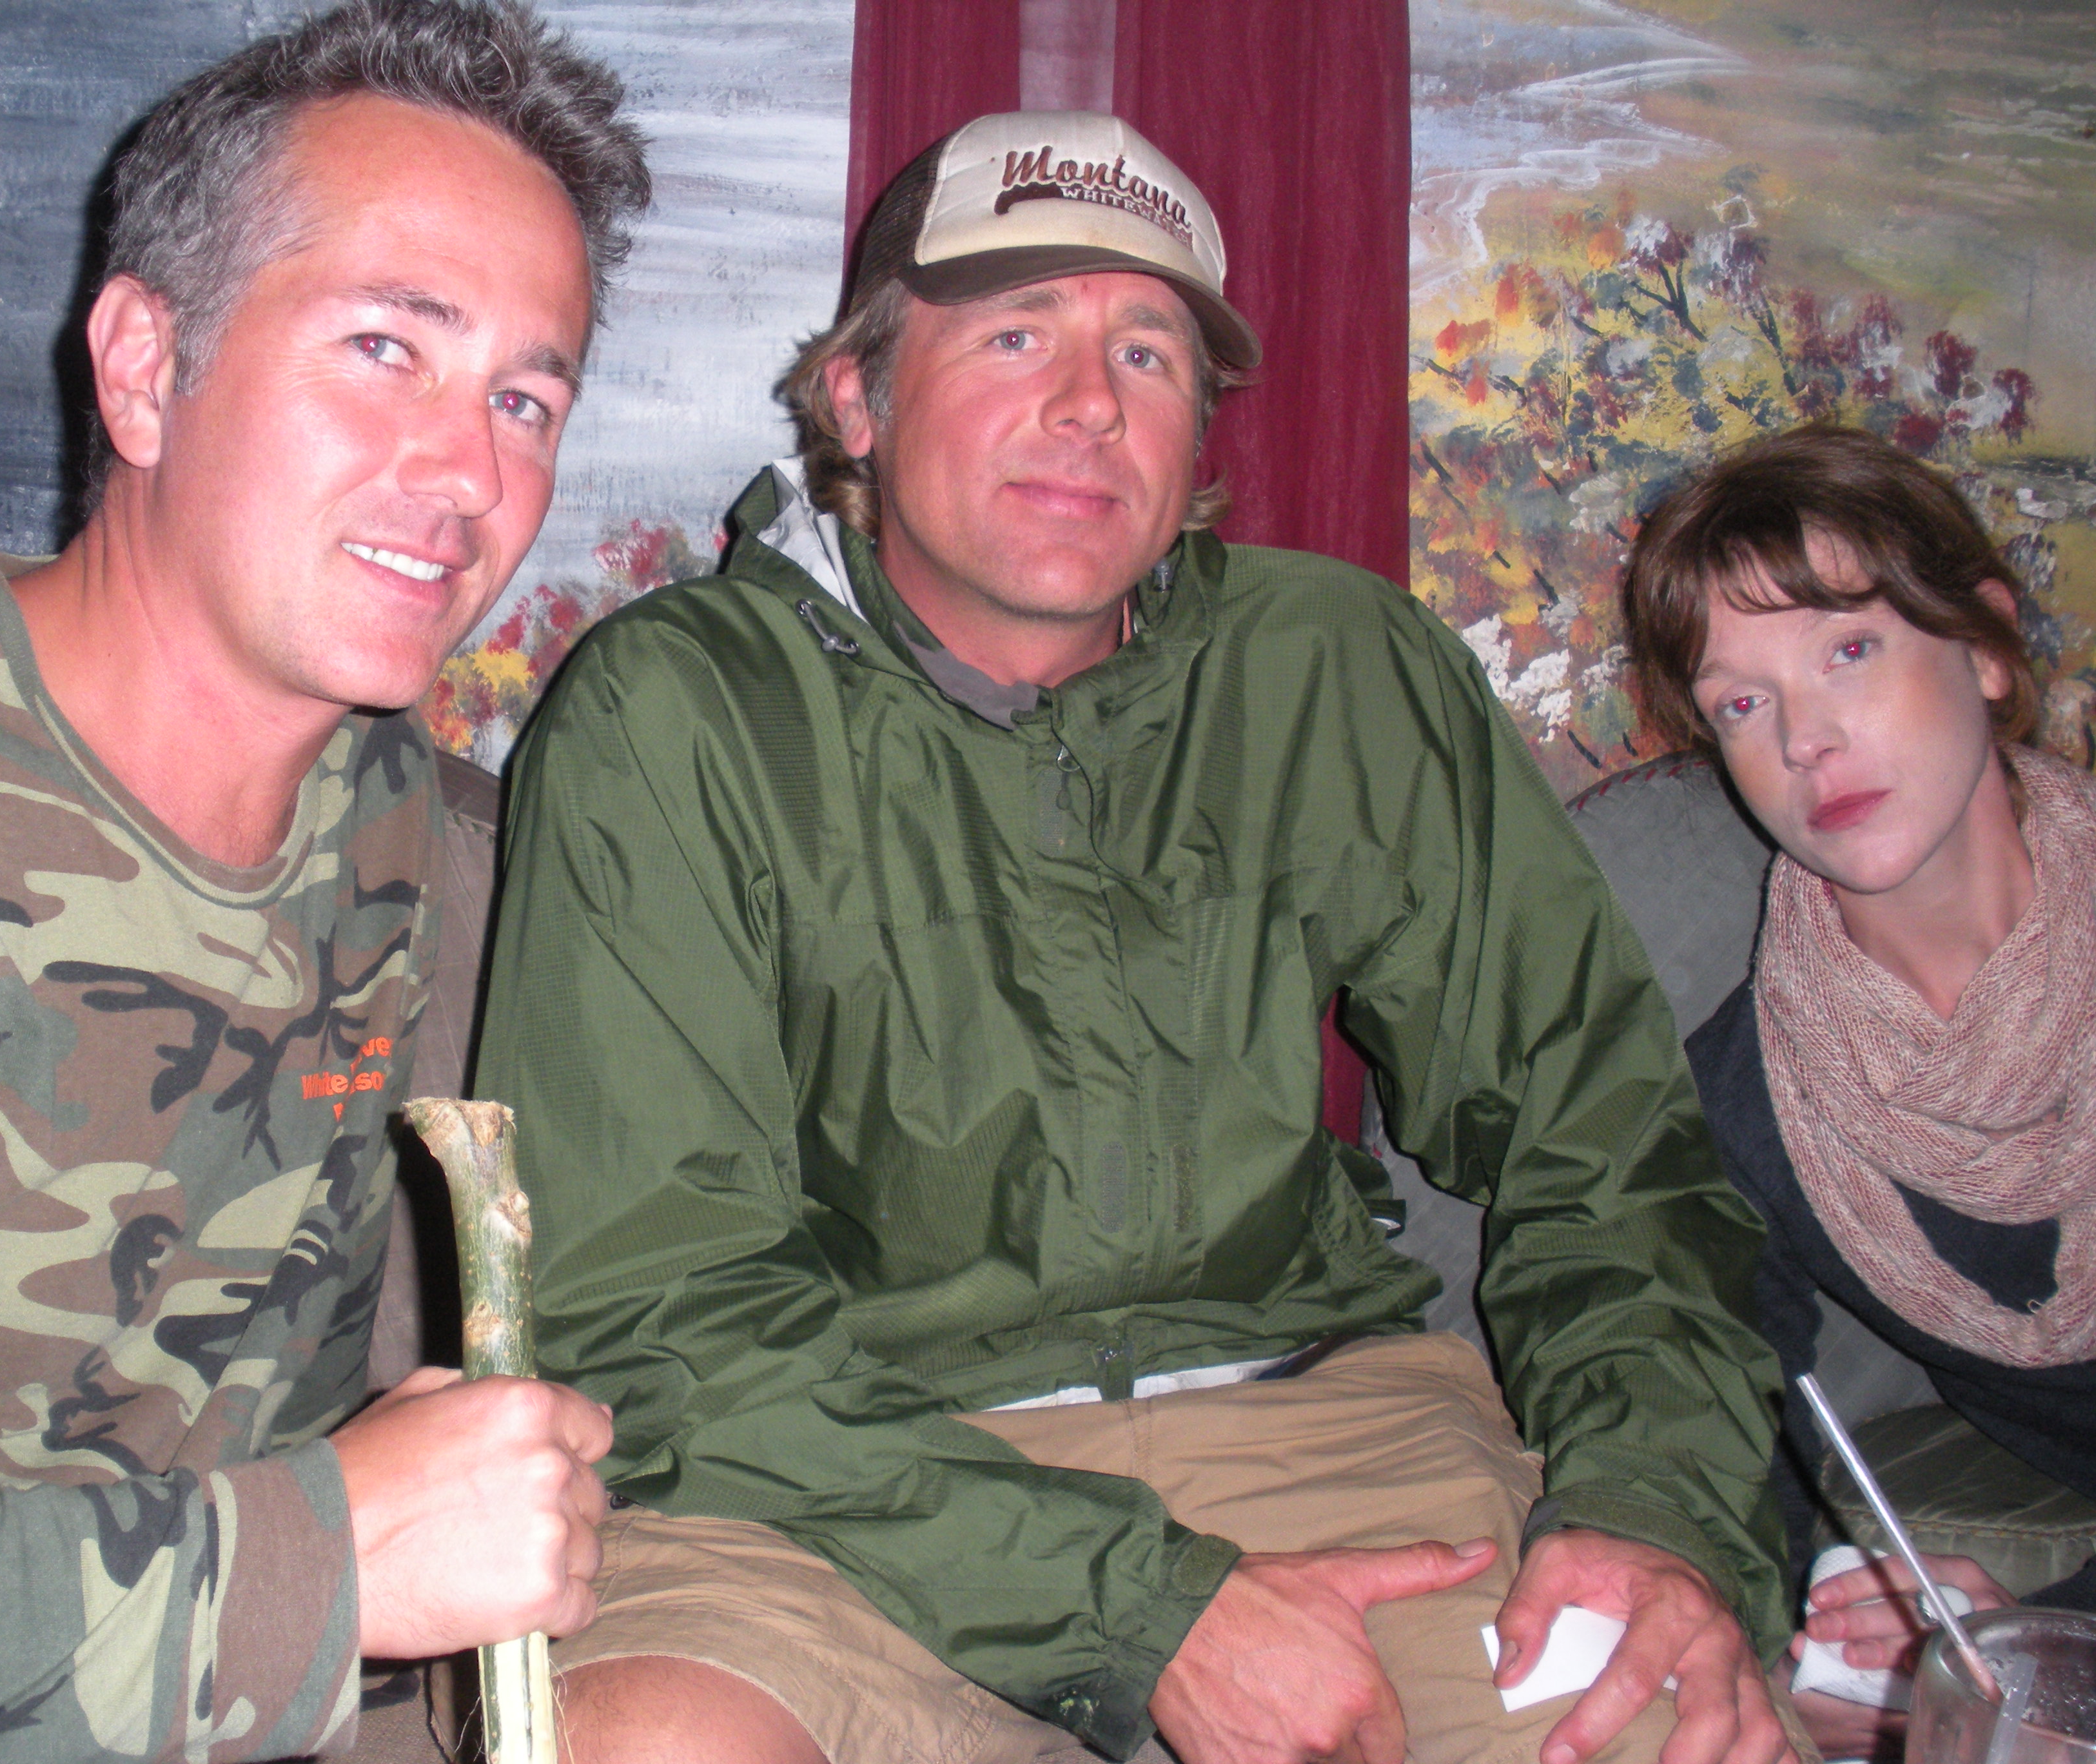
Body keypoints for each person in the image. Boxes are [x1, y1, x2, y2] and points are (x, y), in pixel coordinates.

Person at [477, 111, 1799, 1764]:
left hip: (1323, 1430)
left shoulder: (1335, 669)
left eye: (1150, 353)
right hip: (841, 1486)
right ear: (859, 398)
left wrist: (1652, 1505)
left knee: (1671, 1729)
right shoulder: (677, 713)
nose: (1092, 403)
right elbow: (652, 1308)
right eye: (1015, 333)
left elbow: (1603, 1140)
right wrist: (1143, 1608)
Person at [0, 3, 648, 1757]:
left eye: (524, 399)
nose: (471, 475)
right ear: (147, 367)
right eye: (386, 346)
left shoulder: (389, 825)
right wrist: (327, 1563)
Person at [1622, 424, 2096, 1759]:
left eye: (1849, 651)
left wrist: (2055, 1640)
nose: (1807, 740)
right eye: (1742, 703)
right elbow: (1733, 1430)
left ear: (1985, 646)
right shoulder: (1752, 1103)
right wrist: (1827, 1629)